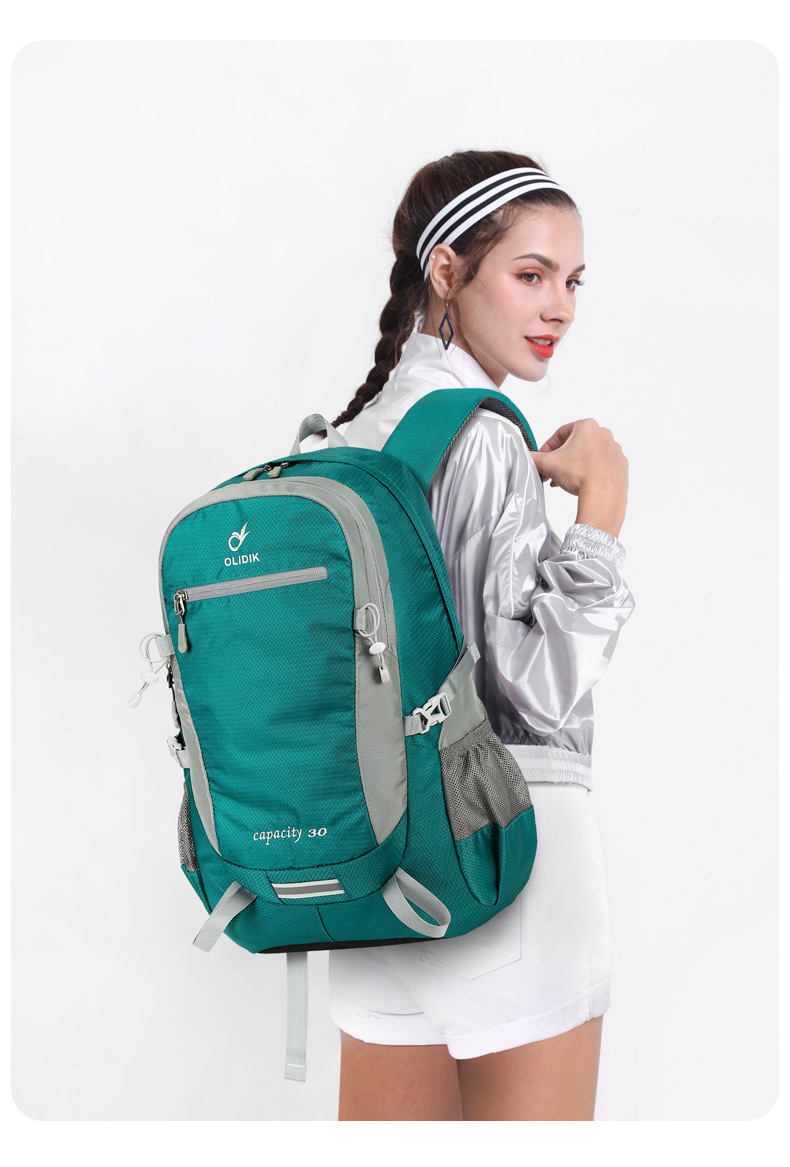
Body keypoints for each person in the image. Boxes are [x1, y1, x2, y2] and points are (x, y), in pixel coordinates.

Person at [305, 149, 635, 1121]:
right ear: (446, 270)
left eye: (572, 282)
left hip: (375, 874)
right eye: (530, 275)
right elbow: (533, 692)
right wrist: (602, 515)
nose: (559, 307)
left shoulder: (341, 441)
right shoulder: (484, 434)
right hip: (509, 857)